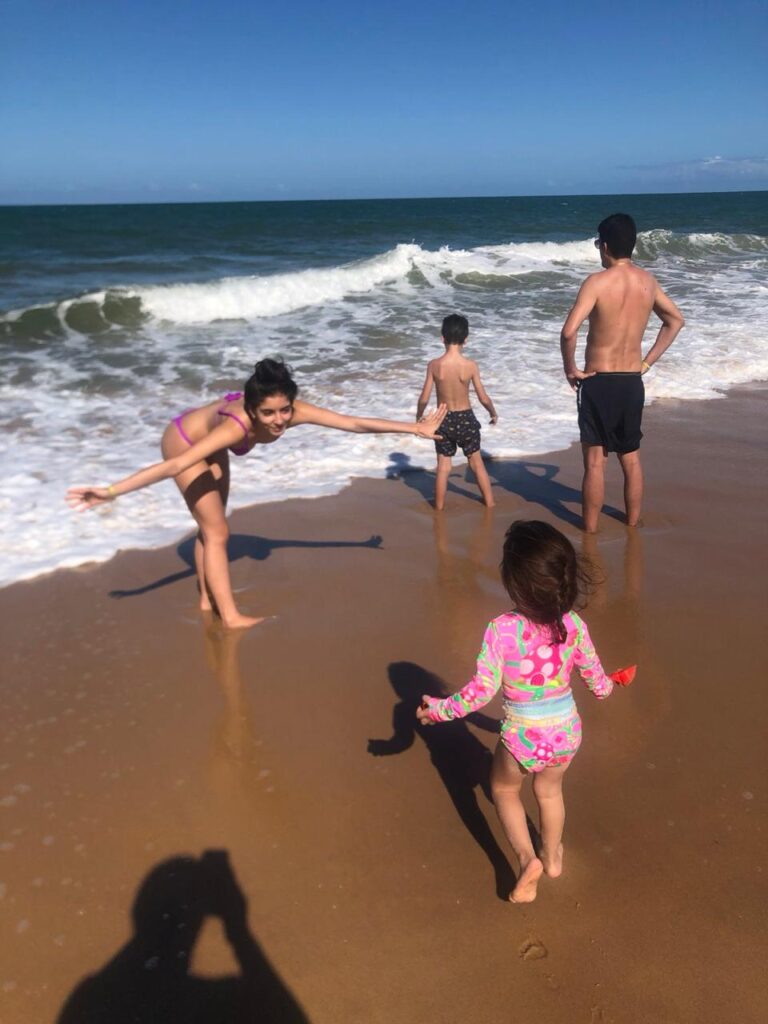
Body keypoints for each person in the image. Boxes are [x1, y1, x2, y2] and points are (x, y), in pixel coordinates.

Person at [67, 358, 446, 630]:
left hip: (209, 441)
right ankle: (229, 617)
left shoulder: (292, 411)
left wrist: (412, 428)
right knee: (217, 531)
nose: (279, 420)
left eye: (284, 410)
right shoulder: (236, 427)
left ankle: (205, 598)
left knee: (211, 525)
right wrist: (111, 492)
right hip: (183, 442)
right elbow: (175, 466)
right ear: (252, 409)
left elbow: (351, 423)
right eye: (268, 414)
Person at [416, 520, 619, 904]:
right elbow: (595, 676)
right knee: (549, 791)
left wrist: (438, 711)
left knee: (504, 789)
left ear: (513, 583)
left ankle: (527, 859)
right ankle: (552, 856)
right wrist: (609, 687)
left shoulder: (502, 630)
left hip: (523, 734)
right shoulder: (574, 624)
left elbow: (479, 693)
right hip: (567, 731)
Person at [560, 213, 685, 532]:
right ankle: (631, 524)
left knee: (594, 463)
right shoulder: (647, 282)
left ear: (604, 246)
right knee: (630, 459)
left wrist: (570, 368)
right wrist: (646, 363)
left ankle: (589, 531)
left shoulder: (596, 283)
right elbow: (675, 321)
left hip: (598, 381)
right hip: (631, 381)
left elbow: (569, 332)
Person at [416, 313, 498, 511]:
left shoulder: (434, 366)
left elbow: (425, 397)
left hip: (442, 419)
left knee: (443, 467)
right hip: (466, 418)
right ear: (466, 340)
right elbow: (483, 397)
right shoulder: (470, 366)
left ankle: (439, 507)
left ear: (442, 338)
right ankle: (490, 503)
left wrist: (418, 418)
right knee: (477, 464)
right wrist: (492, 413)